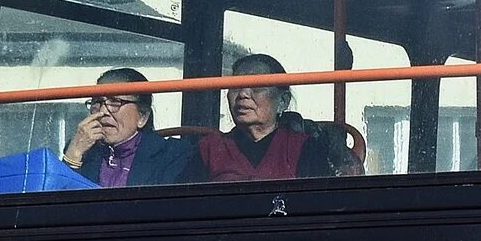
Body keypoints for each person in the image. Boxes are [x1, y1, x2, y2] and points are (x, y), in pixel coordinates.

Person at [190, 53, 334, 182]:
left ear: (283, 101)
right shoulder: (209, 148)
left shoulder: (305, 147)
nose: (243, 94)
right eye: (235, 86)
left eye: (256, 86)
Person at [59, 69, 194, 190]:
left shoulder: (173, 154)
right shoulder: (82, 150)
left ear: (142, 116)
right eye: (97, 102)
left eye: (116, 101)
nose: (103, 111)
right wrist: (73, 155)